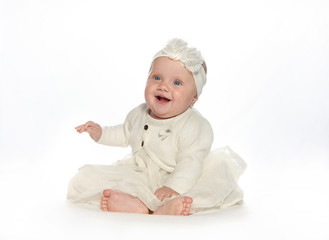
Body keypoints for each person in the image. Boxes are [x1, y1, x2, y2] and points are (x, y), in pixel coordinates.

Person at [67, 38, 246, 216]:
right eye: (157, 77)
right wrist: (100, 133)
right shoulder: (139, 113)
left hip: (179, 175)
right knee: (125, 183)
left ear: (193, 99)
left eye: (176, 83)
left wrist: (173, 187)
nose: (163, 86)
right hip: (140, 173)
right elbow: (124, 133)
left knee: (188, 193)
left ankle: (167, 205)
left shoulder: (193, 125)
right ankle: (138, 205)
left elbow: (190, 161)